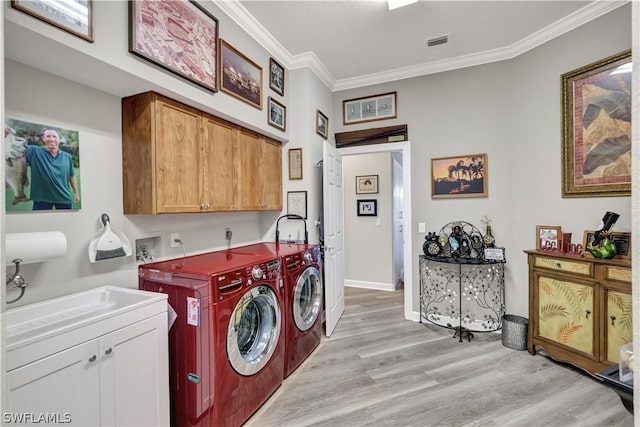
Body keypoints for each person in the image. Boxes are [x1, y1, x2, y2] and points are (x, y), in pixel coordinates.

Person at [26, 127, 79, 210]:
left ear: (59, 139)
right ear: (43, 138)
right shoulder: (34, 151)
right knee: (40, 222)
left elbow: (71, 176)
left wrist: (76, 193)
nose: (51, 139)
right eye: (48, 136)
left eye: (54, 136)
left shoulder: (67, 157)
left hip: (64, 198)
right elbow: (14, 148)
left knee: (67, 222)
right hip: (42, 199)